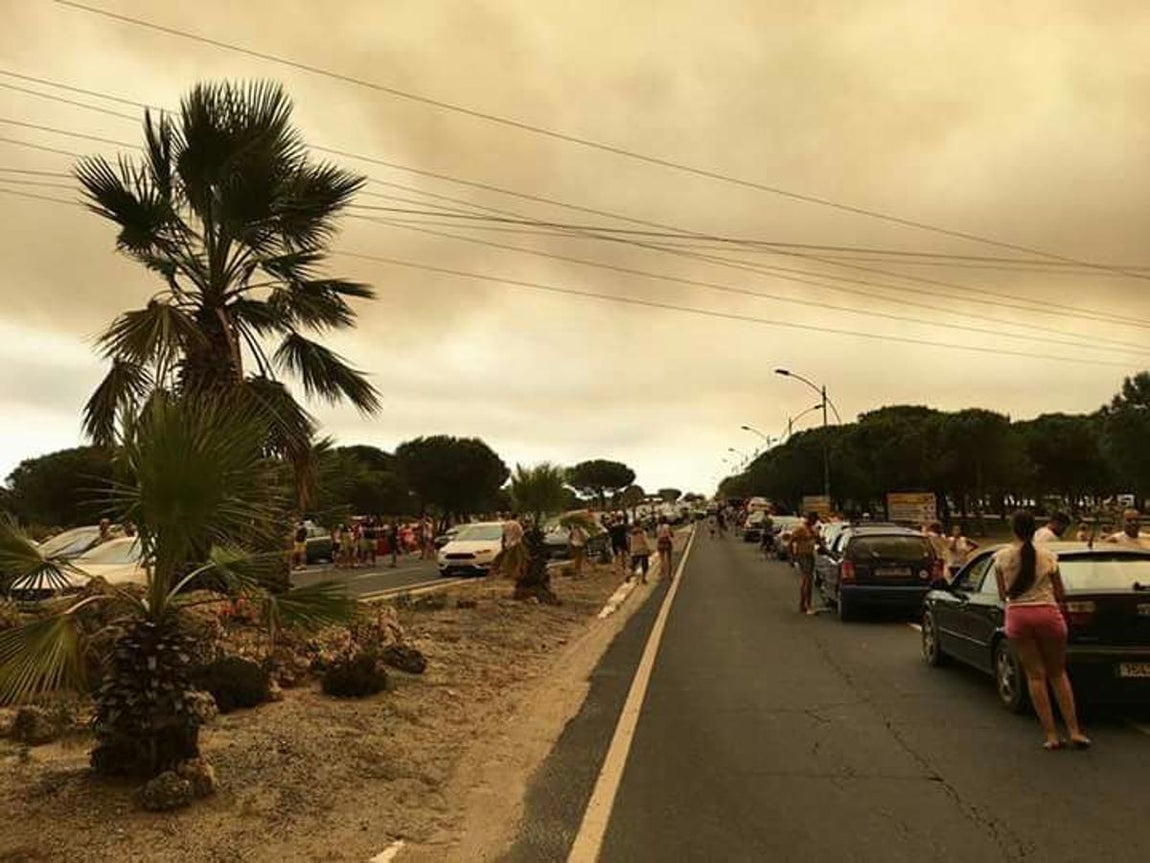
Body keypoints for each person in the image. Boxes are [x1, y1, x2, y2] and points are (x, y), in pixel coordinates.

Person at [992, 510, 1090, 750]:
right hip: (1047, 614)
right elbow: (1060, 593)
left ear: (1013, 529)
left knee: (1035, 675)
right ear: (1033, 529)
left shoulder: (1001, 557)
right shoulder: (1048, 557)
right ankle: (1075, 731)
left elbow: (1004, 593)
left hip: (1018, 617)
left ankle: (1051, 735)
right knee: (1057, 673)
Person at [789, 512, 822, 615]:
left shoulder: (813, 529)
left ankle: (803, 605)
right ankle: (808, 606)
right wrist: (791, 557)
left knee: (807, 580)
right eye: (814, 520)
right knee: (807, 580)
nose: (815, 522)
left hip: (809, 555)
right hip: (802, 555)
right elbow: (790, 542)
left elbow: (818, 542)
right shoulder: (801, 529)